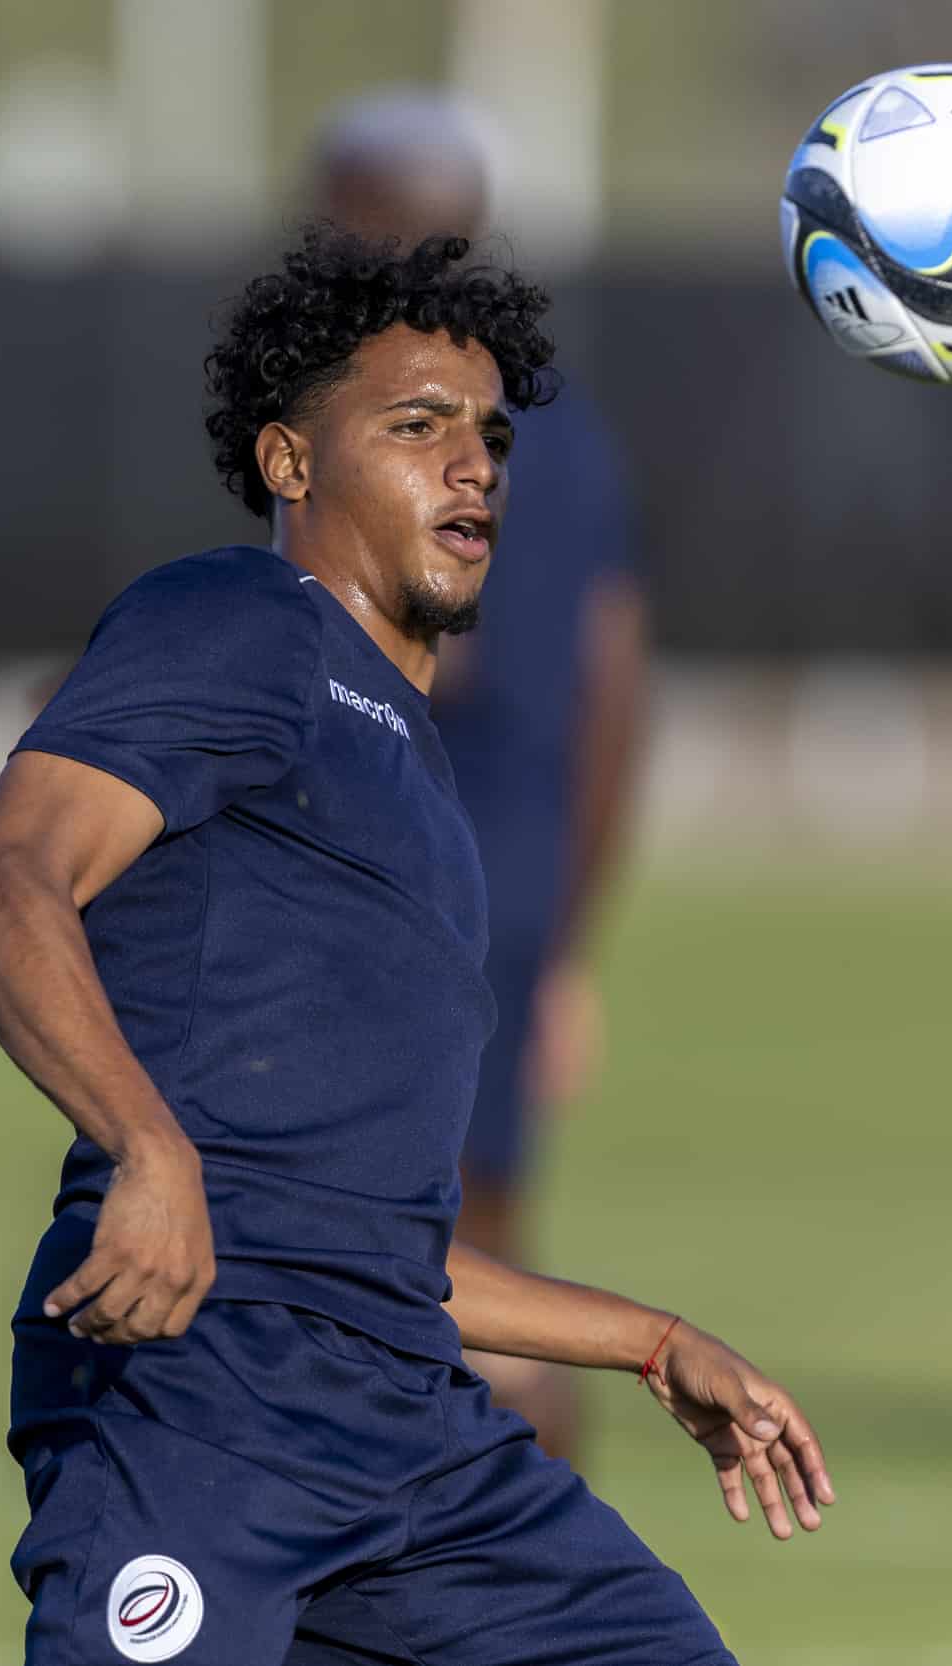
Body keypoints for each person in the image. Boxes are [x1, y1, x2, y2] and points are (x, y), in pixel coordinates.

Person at [0, 226, 829, 1664]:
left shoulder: (417, 783)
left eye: (487, 435)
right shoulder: (236, 620)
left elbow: (383, 1247)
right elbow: (4, 884)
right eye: (417, 428)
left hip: (413, 1446)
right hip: (204, 1402)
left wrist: (652, 1340)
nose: (472, 464)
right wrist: (147, 1152)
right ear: (291, 465)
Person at [308, 93, 649, 1466]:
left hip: (390, 902)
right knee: (484, 1268)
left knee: (420, 1289)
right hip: (504, 895)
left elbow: (385, 670)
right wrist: (564, 944)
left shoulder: (372, 421)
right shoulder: (565, 430)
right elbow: (618, 694)